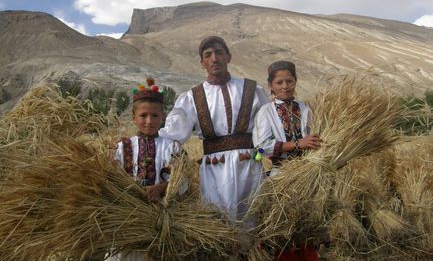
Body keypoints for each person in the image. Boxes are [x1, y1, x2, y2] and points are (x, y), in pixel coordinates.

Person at [159, 35, 269, 221]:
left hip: (249, 166)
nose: (214, 59)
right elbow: (172, 136)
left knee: (252, 219)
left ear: (229, 57)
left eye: (219, 53)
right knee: (218, 219)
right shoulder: (193, 97)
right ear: (202, 62)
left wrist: (266, 154)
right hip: (213, 169)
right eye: (208, 55)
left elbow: (268, 128)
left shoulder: (252, 89)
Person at [252, 61, 322, 261]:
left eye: (289, 81)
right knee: (284, 232)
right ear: (270, 85)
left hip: (309, 178)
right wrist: (298, 144)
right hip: (280, 178)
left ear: (296, 82)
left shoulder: (307, 108)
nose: (285, 86)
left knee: (308, 230)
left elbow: (317, 137)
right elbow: (262, 148)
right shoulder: (266, 111)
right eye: (279, 82)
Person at [111, 79, 181, 261]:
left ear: (163, 117)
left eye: (155, 116)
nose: (149, 121)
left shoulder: (172, 147)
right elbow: (111, 179)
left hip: (162, 219)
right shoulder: (122, 147)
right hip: (126, 218)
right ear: (134, 117)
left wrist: (161, 188)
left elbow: (184, 181)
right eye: (143, 116)